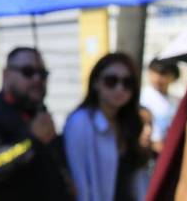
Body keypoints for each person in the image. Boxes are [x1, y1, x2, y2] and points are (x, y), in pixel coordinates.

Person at [0, 47, 72, 200]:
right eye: (28, 72)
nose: (37, 79)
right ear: (6, 75)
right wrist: (31, 141)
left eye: (43, 74)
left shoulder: (39, 113)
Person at [63, 52, 149, 201]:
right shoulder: (80, 122)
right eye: (111, 81)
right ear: (95, 83)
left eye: (127, 83)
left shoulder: (131, 123)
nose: (119, 88)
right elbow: (80, 182)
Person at [140, 58, 180, 155]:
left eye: (163, 74)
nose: (157, 78)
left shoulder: (175, 102)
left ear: (173, 77)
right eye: (154, 73)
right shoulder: (143, 97)